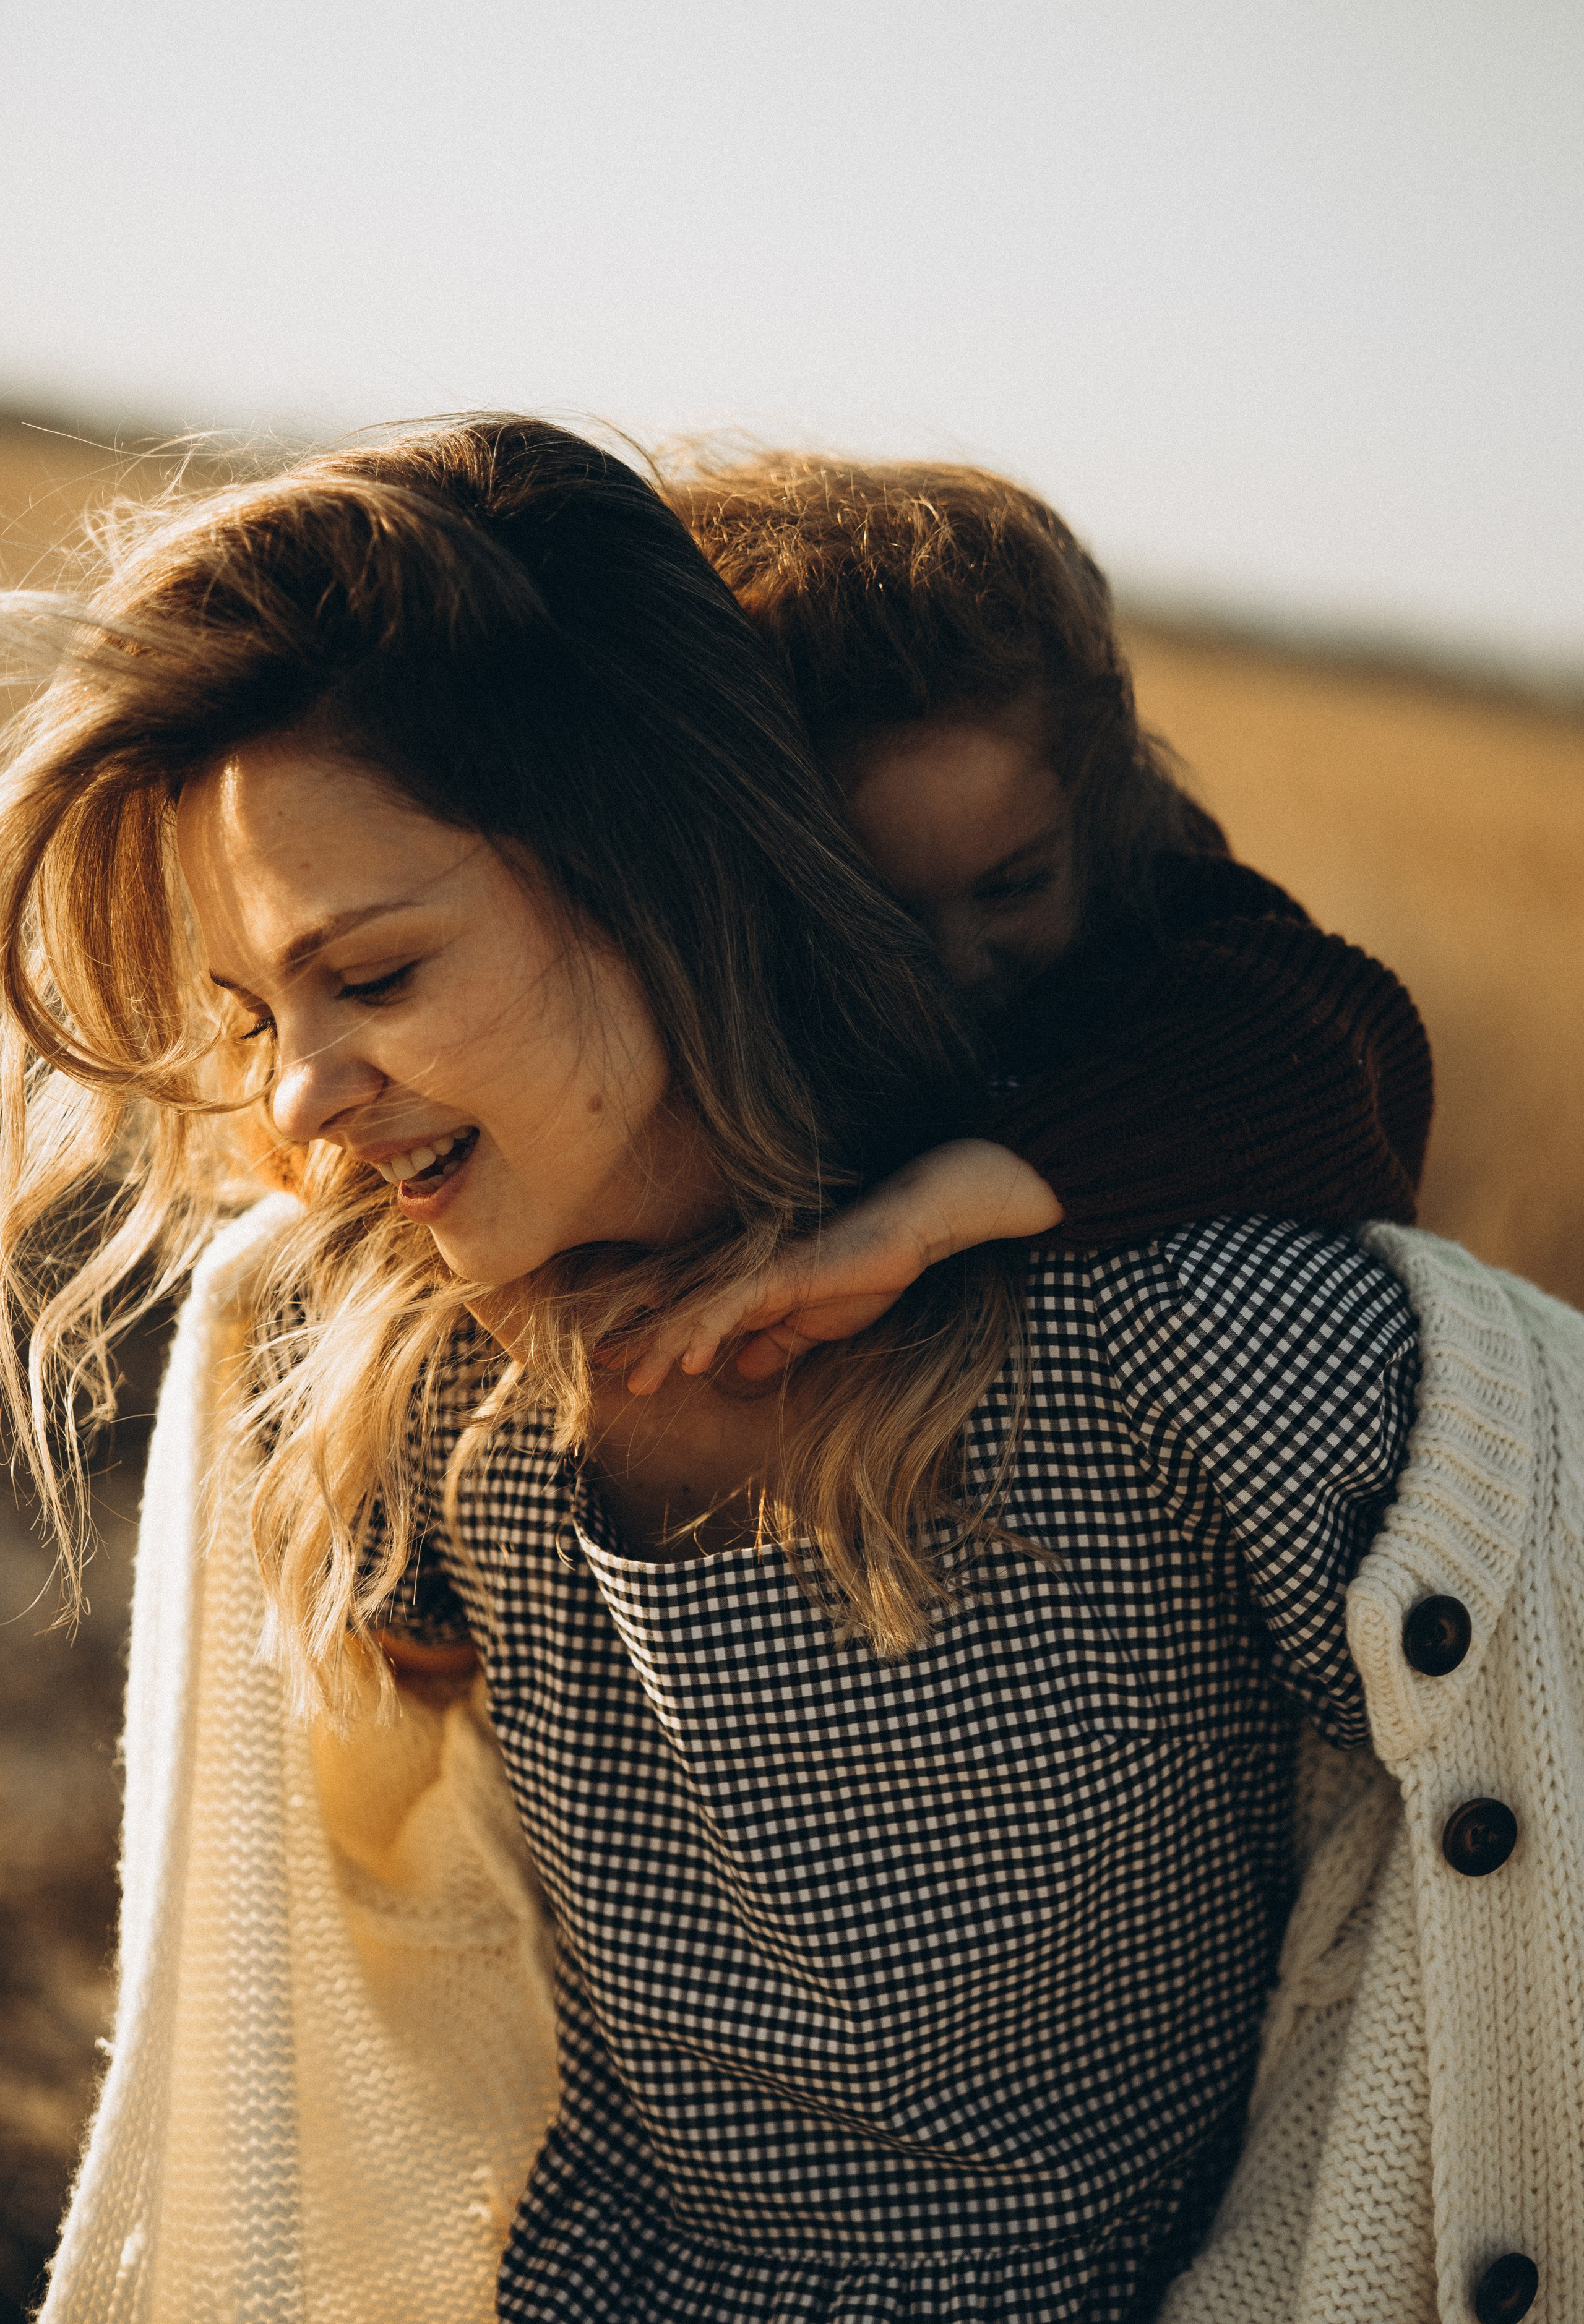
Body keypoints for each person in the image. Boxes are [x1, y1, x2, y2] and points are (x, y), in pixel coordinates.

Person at [5, 419, 1577, 2324]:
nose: (298, 1097)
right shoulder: (404, 1374)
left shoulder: (1183, 1343)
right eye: (262, 1012)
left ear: (661, 876)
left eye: (383, 976)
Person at [619, 452, 1432, 1394]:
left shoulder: (1156, 910)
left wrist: (940, 1206)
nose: (960, 962)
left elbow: (1344, 1055)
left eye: (1012, 888)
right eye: (883, 911)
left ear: (1097, 815)